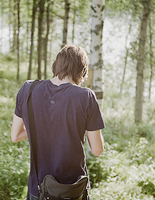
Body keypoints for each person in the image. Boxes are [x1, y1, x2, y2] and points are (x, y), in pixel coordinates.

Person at [11, 45, 105, 200]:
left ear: (56, 66)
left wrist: (45, 124)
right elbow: (97, 150)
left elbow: (16, 135)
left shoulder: (28, 89)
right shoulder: (85, 96)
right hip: (72, 190)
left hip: (38, 189)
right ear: (82, 71)